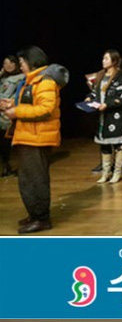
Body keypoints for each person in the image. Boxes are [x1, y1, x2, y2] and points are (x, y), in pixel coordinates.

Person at [3, 46, 68, 233]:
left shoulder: (45, 81)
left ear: (32, 61)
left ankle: (42, 218)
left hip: (37, 138)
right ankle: (34, 214)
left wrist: (17, 111)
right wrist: (11, 104)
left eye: (22, 62)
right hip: (28, 136)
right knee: (27, 180)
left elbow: (45, 109)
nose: (20, 66)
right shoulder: (31, 81)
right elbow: (30, 103)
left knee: (36, 180)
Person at [86, 49, 122, 184]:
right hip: (102, 117)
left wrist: (107, 104)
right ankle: (105, 172)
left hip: (115, 117)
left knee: (118, 145)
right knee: (104, 145)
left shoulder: (120, 76)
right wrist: (89, 98)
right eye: (103, 58)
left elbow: (120, 97)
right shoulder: (101, 75)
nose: (103, 61)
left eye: (106, 59)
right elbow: (95, 92)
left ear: (114, 61)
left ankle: (117, 172)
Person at [0, 55, 24, 177]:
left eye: (11, 63)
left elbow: (19, 94)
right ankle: (5, 165)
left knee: (9, 141)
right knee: (2, 141)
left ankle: (16, 166)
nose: (8, 66)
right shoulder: (3, 78)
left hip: (10, 112)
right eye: (5, 63)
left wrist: (9, 103)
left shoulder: (21, 77)